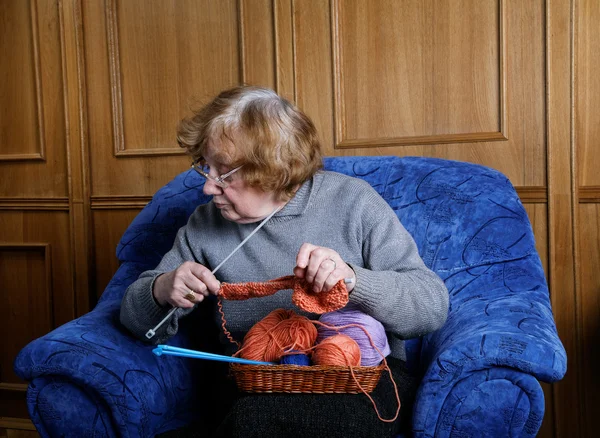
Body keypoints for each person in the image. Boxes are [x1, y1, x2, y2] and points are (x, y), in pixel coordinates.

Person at [120, 85, 449, 437]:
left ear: (275, 168)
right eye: (205, 167)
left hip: (360, 376)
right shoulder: (204, 226)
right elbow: (134, 321)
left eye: (225, 173)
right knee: (256, 420)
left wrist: (353, 281)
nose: (208, 187)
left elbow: (431, 306)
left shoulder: (354, 202)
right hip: (258, 377)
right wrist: (161, 289)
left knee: (331, 423)